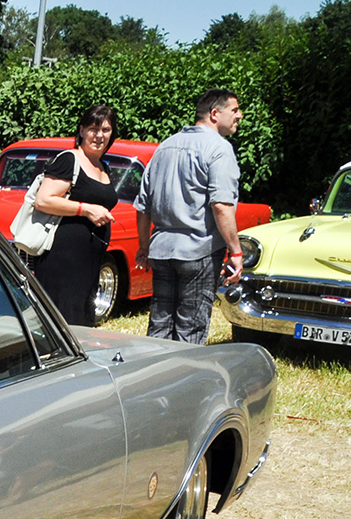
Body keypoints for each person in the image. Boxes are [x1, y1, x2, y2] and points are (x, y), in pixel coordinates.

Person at [135, 88, 245, 344]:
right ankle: (182, 382)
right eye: (235, 110)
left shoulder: (164, 146)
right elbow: (221, 205)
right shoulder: (219, 148)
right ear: (215, 113)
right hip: (200, 251)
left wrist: (144, 247)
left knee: (159, 328)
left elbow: (142, 206)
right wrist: (236, 252)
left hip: (162, 251)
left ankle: (153, 379)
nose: (239, 116)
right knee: (190, 330)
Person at [29, 105, 122, 326]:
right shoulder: (69, 160)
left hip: (90, 260)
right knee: (62, 321)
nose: (99, 136)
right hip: (63, 260)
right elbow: (43, 200)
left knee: (82, 319)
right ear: (81, 130)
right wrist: (86, 209)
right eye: (93, 129)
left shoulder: (102, 166)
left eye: (106, 130)